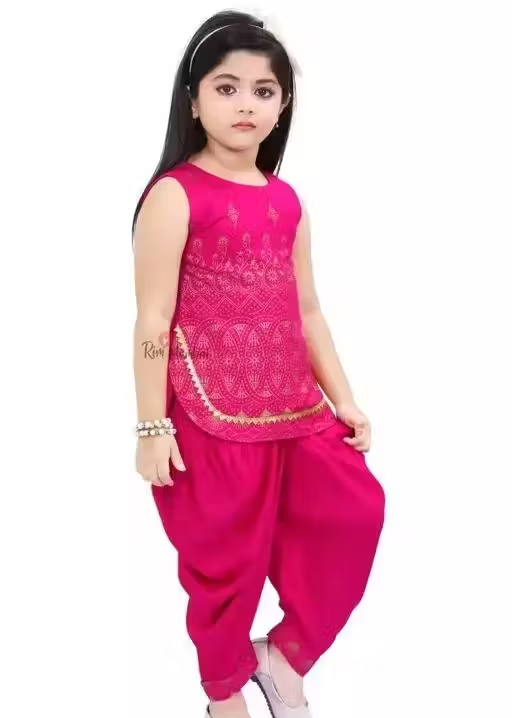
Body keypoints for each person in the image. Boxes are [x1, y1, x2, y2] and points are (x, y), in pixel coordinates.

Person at [131, 10, 385, 718]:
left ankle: (286, 656)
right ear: (194, 100)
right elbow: (152, 321)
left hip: (295, 405)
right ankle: (224, 696)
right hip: (210, 413)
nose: (246, 104)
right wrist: (151, 427)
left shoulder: (286, 200)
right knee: (227, 564)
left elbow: (308, 309)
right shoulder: (175, 195)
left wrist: (345, 398)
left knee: (357, 510)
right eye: (227, 87)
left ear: (282, 104)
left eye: (264, 91)